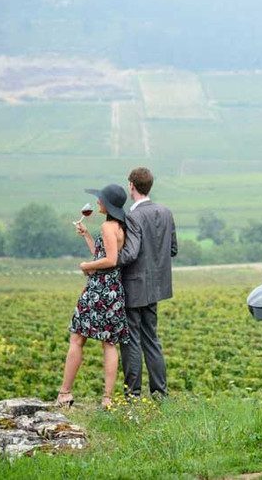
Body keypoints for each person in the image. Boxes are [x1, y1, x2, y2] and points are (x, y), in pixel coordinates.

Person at [57, 184, 131, 409]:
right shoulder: (119, 226)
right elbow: (105, 254)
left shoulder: (108, 226)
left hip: (99, 288)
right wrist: (88, 236)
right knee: (109, 343)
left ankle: (65, 393)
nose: (98, 202)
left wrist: (86, 265)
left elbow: (109, 260)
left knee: (77, 338)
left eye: (100, 199)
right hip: (114, 289)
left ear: (107, 203)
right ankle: (107, 400)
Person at [116, 167, 177, 398]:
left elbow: (130, 254)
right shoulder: (166, 212)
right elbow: (172, 249)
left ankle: (132, 395)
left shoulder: (132, 216)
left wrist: (109, 261)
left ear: (131, 185)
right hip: (156, 287)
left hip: (134, 286)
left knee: (131, 340)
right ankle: (160, 392)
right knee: (151, 338)